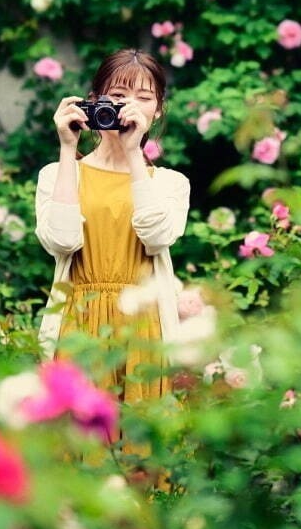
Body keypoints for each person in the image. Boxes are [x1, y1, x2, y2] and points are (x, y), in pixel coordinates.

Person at [34, 48, 190, 420]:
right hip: (78, 325)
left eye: (143, 98)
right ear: (93, 103)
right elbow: (61, 240)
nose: (129, 108)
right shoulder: (56, 174)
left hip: (144, 331)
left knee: (141, 455)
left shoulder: (169, 182)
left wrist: (135, 154)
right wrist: (67, 148)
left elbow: (156, 236)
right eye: (118, 97)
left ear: (159, 110)